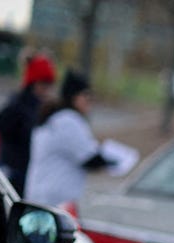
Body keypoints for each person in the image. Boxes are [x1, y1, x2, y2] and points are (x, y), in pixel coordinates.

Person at [24, 70, 113, 212]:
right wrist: (115, 161)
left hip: (40, 197)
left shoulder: (54, 117)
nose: (90, 102)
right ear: (74, 97)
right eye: (87, 96)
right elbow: (90, 159)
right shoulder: (69, 121)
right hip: (54, 203)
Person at [0, 51, 56, 195]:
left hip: (28, 173)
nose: (47, 89)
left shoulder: (41, 107)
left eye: (49, 84)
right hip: (14, 171)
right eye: (44, 83)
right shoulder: (19, 105)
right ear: (33, 83)